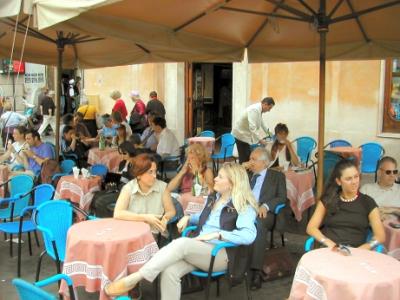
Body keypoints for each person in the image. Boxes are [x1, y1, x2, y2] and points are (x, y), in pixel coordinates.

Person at [105, 162, 258, 298]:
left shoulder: (243, 205)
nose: (215, 179)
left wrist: (218, 234)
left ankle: (136, 278)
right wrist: (189, 218)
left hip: (220, 254)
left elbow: (248, 235)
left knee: (182, 243)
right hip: (200, 250)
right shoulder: (215, 198)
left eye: (220, 177)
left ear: (232, 183)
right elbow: (207, 218)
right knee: (170, 271)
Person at [307, 159, 385, 250]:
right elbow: (311, 228)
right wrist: (329, 243)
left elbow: (380, 236)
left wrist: (362, 249)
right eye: (348, 179)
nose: (354, 182)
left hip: (357, 252)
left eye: (356, 177)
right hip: (330, 250)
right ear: (339, 181)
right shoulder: (328, 200)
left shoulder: (367, 202)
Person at [242, 147, 287, 290]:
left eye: (253, 160)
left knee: (259, 224)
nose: (250, 162)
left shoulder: (277, 176)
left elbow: (282, 197)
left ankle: (256, 271)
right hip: (246, 210)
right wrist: (240, 169)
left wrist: (266, 206)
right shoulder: (246, 174)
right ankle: (231, 264)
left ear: (264, 163)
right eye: (250, 159)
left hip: (266, 213)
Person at [113, 153, 176, 236]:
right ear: (139, 175)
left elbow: (171, 211)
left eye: (155, 171)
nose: (154, 175)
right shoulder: (128, 188)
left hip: (153, 234)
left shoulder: (162, 187)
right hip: (131, 233)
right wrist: (145, 218)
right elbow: (118, 213)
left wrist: (165, 219)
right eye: (150, 172)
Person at [94, 141, 136, 218]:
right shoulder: (122, 163)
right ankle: (99, 218)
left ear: (130, 151)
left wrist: (120, 177)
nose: (122, 156)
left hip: (126, 191)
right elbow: (119, 176)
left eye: (124, 153)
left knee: (100, 201)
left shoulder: (135, 164)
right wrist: (112, 178)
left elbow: (133, 182)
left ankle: (106, 221)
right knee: (96, 195)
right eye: (120, 153)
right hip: (118, 187)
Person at [231, 97, 275, 163]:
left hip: (244, 135)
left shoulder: (259, 110)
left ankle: (246, 171)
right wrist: (261, 140)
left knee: (247, 156)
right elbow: (252, 128)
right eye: (269, 108)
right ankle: (244, 172)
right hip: (241, 135)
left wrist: (272, 135)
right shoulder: (254, 110)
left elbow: (263, 125)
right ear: (265, 104)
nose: (269, 110)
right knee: (244, 157)